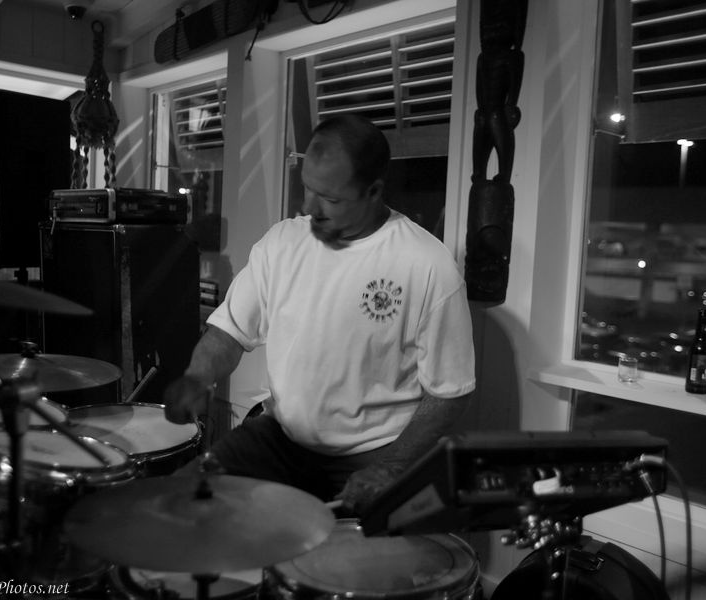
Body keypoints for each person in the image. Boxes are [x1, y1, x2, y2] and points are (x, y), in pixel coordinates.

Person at [164, 113, 475, 513]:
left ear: (373, 191)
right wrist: (197, 377)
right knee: (177, 501)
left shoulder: (427, 265)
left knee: (342, 550)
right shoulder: (281, 244)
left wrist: (391, 467)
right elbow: (229, 332)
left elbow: (449, 394)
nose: (309, 207)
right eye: (307, 188)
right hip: (279, 441)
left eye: (330, 198)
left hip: (371, 456)